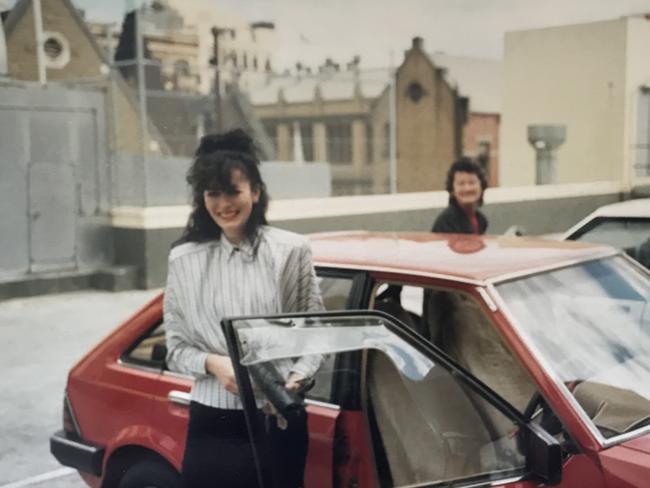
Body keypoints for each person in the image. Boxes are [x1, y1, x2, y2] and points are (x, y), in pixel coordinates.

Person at [164, 129, 323, 488]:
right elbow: (175, 350)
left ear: (255, 191)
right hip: (212, 424)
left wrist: (298, 378)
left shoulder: (291, 251)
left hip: (278, 418)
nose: (224, 204)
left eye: (233, 191)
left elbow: (313, 334)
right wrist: (214, 365)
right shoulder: (183, 260)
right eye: (213, 194)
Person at [432, 157, 488, 235]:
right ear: (452, 190)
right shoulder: (447, 222)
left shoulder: (481, 220)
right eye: (461, 183)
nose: (467, 188)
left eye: (472, 182)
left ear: (482, 186)